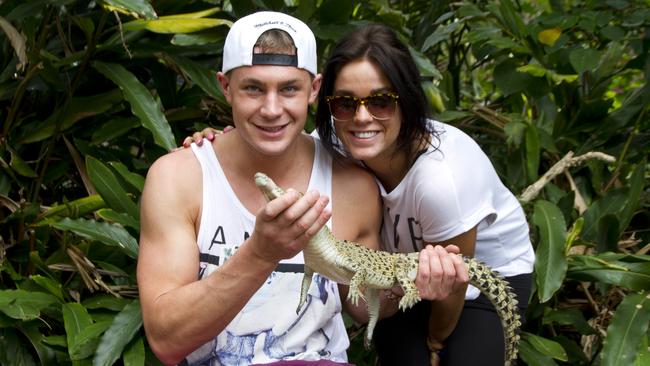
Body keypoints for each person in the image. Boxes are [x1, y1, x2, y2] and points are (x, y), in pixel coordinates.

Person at [138, 12, 468, 366]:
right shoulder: (179, 178)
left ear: (313, 90)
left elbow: (364, 304)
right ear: (225, 86)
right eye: (253, 87)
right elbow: (166, 340)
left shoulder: (351, 185)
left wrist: (417, 283)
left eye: (289, 89)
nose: (271, 109)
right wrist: (261, 253)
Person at [312, 24, 536, 365]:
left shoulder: (440, 180)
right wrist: (212, 145)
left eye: (380, 101)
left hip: (479, 280)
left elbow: (454, 284)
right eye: (344, 102)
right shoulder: (337, 141)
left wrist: (436, 341)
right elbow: (279, 149)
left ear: (407, 98)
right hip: (403, 278)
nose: (361, 117)